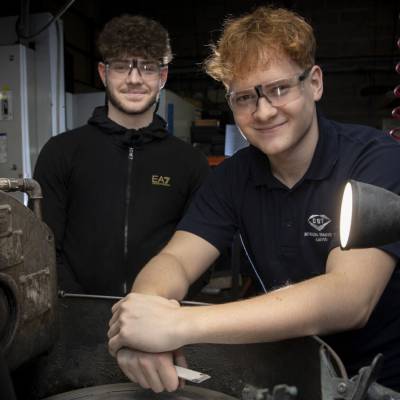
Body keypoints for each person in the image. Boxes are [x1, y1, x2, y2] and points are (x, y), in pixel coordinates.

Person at [107, 6, 400, 394]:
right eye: (244, 97)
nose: (262, 111)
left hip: (380, 381)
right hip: (291, 375)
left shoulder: (376, 157)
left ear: (314, 83)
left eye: (279, 89)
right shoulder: (233, 177)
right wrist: (142, 324)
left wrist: (178, 325)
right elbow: (175, 260)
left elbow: (349, 297)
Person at [33, 14, 209, 296]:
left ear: (162, 77)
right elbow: (42, 245)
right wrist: (77, 305)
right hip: (74, 312)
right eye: (121, 66)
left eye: (148, 68)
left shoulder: (190, 163)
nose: (134, 79)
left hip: (159, 315)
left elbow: (203, 250)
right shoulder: (61, 152)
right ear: (103, 73)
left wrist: (161, 304)